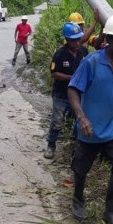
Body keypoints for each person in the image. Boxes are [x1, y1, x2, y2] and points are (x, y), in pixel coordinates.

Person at [67, 14, 113, 224]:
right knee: (81, 168)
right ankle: (78, 199)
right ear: (108, 38)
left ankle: (110, 212)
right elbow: (72, 89)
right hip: (90, 128)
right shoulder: (92, 63)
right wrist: (82, 118)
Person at [44, 22, 85, 159]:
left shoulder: (83, 52)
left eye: (79, 39)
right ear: (67, 40)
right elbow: (54, 73)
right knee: (57, 120)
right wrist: (72, 78)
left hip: (78, 95)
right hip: (61, 94)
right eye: (75, 40)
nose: (78, 42)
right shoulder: (60, 55)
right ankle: (51, 145)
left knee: (79, 121)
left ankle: (76, 147)